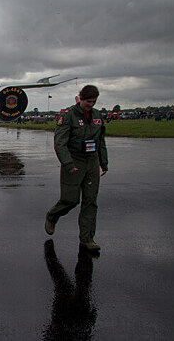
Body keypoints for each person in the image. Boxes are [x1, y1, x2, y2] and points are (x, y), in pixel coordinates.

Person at [45, 85, 108, 251]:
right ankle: (52, 215)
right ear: (80, 97)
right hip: (74, 161)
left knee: (90, 202)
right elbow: (60, 143)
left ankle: (87, 239)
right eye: (88, 101)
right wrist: (68, 163)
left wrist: (104, 162)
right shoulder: (68, 116)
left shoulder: (97, 115)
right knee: (71, 200)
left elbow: (101, 141)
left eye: (94, 102)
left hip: (92, 161)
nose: (91, 105)